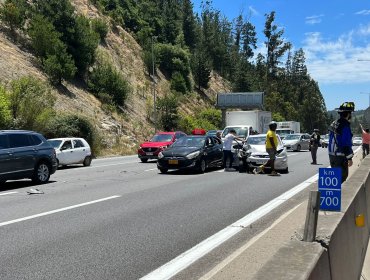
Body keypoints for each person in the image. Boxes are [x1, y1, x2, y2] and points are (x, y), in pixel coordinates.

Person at [328, 102, 355, 183]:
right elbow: (345, 143)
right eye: (351, 113)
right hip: (340, 157)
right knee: (341, 179)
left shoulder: (334, 123)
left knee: (335, 180)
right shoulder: (345, 126)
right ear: (348, 114)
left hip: (332, 155)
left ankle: (333, 195)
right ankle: (338, 196)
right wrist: (349, 158)